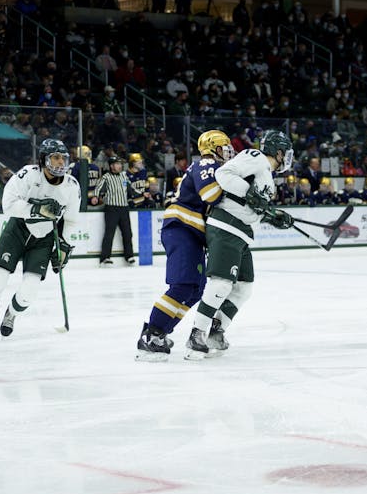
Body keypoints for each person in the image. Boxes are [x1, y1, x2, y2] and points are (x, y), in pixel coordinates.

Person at [185, 130, 296, 359]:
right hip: (226, 227)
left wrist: (273, 216)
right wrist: (251, 195)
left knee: (244, 287)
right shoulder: (255, 156)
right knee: (221, 284)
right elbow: (224, 174)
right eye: (286, 152)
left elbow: (252, 206)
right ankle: (196, 334)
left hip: (242, 233)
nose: (287, 157)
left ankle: (217, 332)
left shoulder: (266, 174)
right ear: (278, 151)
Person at [0, 139, 81, 340]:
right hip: (18, 229)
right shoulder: (28, 174)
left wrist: (64, 246)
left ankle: (11, 315)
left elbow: (70, 220)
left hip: (43, 238)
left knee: (30, 289)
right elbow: (7, 204)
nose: (61, 162)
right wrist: (35, 209)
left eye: (63, 158)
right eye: (56, 157)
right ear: (44, 159)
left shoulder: (71, 186)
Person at [136, 130, 233, 361]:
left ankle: (161, 332)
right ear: (212, 149)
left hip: (192, 233)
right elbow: (211, 195)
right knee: (181, 286)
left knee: (195, 290)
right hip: (182, 228)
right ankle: (151, 335)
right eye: (224, 146)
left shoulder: (214, 167)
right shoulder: (206, 163)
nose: (228, 151)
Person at [93, 155, 134, 265]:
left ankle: (129, 256)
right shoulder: (106, 177)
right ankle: (105, 257)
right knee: (109, 233)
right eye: (117, 164)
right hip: (112, 208)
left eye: (120, 164)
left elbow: (131, 189)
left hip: (124, 208)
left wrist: (141, 193)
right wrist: (95, 197)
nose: (120, 166)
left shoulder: (124, 176)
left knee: (127, 233)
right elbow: (98, 187)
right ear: (111, 166)